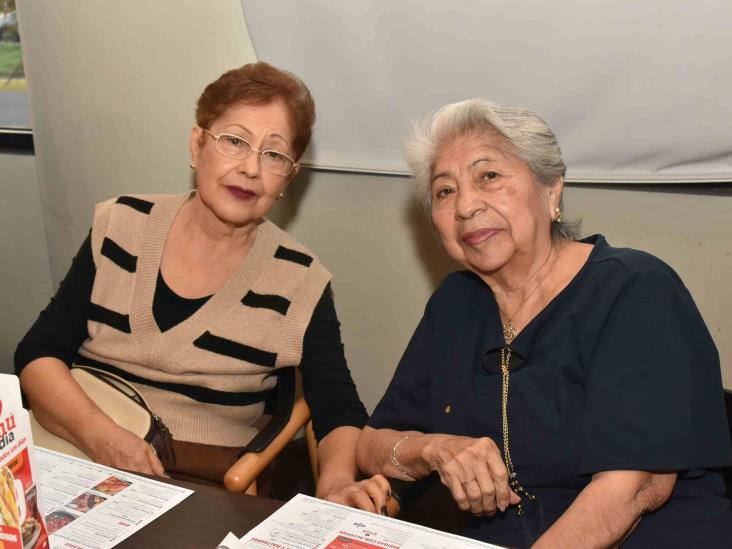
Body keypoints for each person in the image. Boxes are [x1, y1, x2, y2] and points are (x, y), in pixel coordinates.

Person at [356, 98, 732, 546]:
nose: (466, 206)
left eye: (488, 176)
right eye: (444, 191)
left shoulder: (634, 290)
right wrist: (434, 450)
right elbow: (372, 443)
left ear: (551, 190)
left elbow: (631, 489)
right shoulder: (454, 305)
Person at [16, 62, 389, 512]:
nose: (250, 168)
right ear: (197, 145)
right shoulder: (121, 225)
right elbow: (38, 352)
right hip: (72, 446)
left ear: (288, 178)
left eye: (274, 155)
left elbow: (338, 408)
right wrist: (103, 438)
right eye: (234, 141)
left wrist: (334, 485)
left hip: (198, 485)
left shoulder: (300, 281)